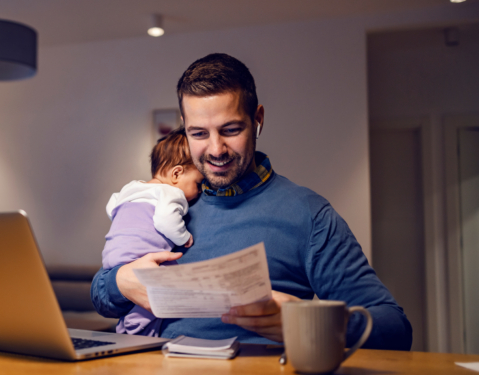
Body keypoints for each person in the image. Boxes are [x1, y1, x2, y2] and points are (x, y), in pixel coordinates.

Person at [91, 53, 413, 350]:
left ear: (258, 119)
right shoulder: (170, 204)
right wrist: (120, 282)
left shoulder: (309, 215)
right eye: (199, 133)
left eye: (231, 129)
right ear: (184, 127)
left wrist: (307, 320)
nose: (216, 150)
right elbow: (102, 294)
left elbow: (395, 328)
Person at [102, 129, 204, 336]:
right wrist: (185, 236)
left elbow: (111, 206)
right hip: (141, 254)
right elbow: (166, 221)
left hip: (113, 254)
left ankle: (128, 326)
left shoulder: (132, 187)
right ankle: (134, 332)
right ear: (176, 174)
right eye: (198, 183)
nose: (200, 190)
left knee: (135, 299)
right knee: (162, 291)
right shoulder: (172, 193)